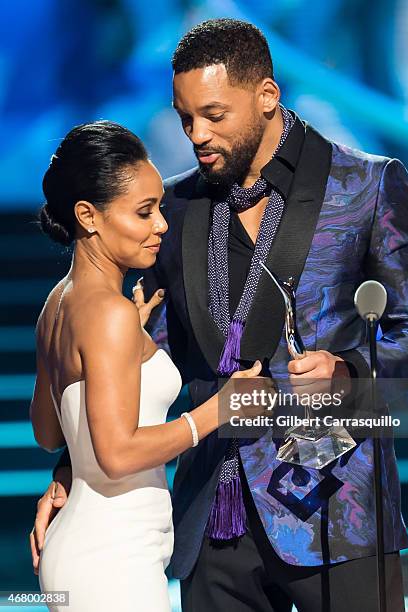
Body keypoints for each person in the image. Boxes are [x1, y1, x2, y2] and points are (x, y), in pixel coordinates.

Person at [33, 19, 408, 612]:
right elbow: (133, 361)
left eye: (213, 115)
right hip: (211, 514)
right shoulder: (173, 206)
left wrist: (351, 367)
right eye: (185, 119)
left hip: (334, 506)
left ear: (266, 96)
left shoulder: (366, 184)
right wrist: (73, 467)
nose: (197, 134)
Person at [30, 120, 262, 611]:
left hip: (78, 553)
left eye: (159, 207)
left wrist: (121, 345)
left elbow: (51, 434)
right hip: (113, 560)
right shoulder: (108, 314)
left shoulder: (59, 304)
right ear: (88, 215)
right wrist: (218, 411)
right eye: (144, 212)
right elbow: (115, 454)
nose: (161, 224)